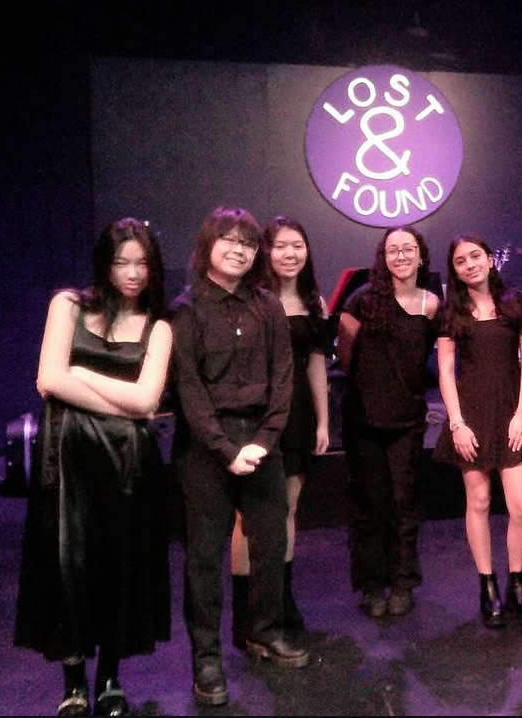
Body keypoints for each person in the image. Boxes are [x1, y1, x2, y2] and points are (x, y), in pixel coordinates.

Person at [15, 218, 172, 716]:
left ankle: (109, 679)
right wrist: (118, 400)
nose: (132, 273)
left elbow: (148, 400)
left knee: (118, 565)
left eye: (141, 263)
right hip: (68, 459)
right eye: (122, 262)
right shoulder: (69, 305)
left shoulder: (159, 325)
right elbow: (47, 379)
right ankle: (73, 684)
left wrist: (79, 373)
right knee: (67, 566)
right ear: (104, 263)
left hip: (127, 464)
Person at [171, 206, 309, 709]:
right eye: (228, 240)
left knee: (271, 543)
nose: (239, 249)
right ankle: (205, 656)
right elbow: (188, 387)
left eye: (248, 244)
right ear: (208, 245)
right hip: (206, 448)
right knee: (205, 556)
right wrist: (226, 449)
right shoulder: (185, 310)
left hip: (262, 440)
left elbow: (284, 378)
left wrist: (265, 440)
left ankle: (262, 630)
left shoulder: (268, 305)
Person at [228, 216, 330, 647]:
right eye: (281, 246)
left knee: (288, 511)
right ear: (265, 252)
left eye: (298, 245)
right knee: (248, 518)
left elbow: (316, 364)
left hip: (300, 415)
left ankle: (282, 601)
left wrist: (324, 421)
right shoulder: (250, 299)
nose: (291, 254)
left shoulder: (314, 300)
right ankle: (244, 612)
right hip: (256, 416)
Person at [433, 234, 522, 628]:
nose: (469, 265)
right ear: (455, 269)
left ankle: (517, 582)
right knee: (478, 501)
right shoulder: (452, 313)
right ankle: (488, 585)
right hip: (472, 414)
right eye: (461, 261)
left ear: (490, 259)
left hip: (512, 412)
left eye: (475, 256)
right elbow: (446, 371)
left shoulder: (516, 304)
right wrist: (457, 422)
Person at [336, 225, 441, 619]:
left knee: (404, 502)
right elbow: (346, 357)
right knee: (369, 503)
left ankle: (402, 582)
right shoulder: (361, 301)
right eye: (393, 250)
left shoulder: (432, 305)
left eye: (408, 249)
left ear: (420, 255)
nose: (400, 256)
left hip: (407, 420)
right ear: (383, 256)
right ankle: (371, 584)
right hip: (363, 419)